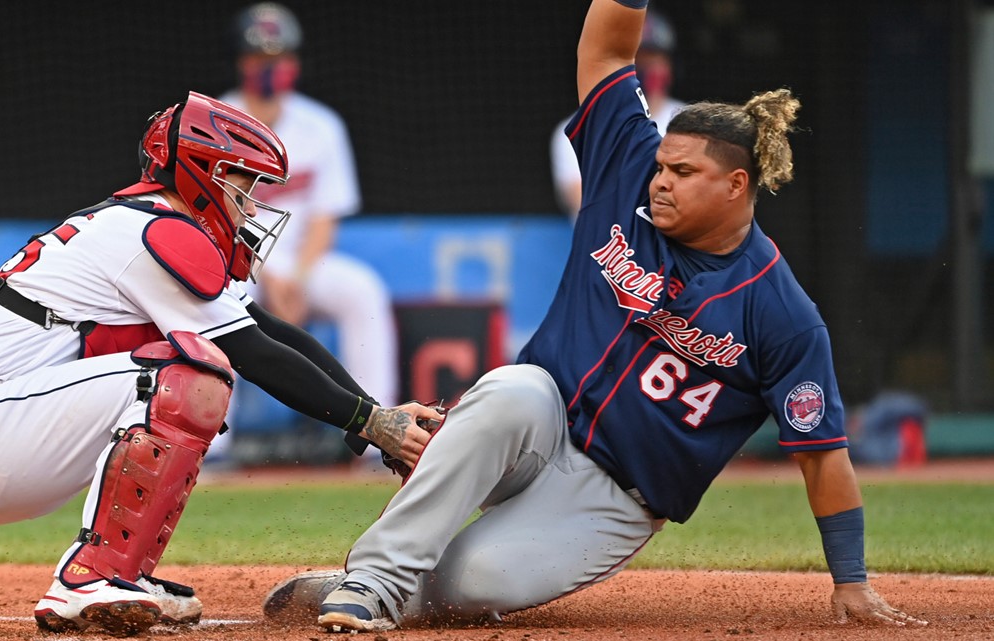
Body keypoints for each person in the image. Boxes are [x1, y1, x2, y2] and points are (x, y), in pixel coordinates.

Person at [265, 1, 927, 633]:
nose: (660, 179)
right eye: (662, 163)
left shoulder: (781, 312)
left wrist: (851, 577)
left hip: (614, 497)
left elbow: (823, 457)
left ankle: (401, 592)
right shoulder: (625, 167)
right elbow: (607, 47)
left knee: (476, 583)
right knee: (508, 391)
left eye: (683, 171)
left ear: (735, 186)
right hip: (539, 419)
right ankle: (376, 578)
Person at [0, 91, 440, 637]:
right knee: (188, 377)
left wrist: (376, 417)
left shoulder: (147, 223)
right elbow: (253, 354)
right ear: (200, 175)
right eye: (243, 184)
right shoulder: (148, 231)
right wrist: (372, 425)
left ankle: (122, 574)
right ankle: (90, 576)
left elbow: (272, 333)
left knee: (190, 371)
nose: (251, 205)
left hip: (6, 423)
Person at [214, 2, 399, 449]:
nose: (271, 69)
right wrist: (270, 277)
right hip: (236, 264)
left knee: (362, 290)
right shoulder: (216, 120)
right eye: (262, 59)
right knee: (216, 307)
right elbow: (216, 214)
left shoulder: (321, 125)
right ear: (243, 62)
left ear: (293, 63)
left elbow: (324, 216)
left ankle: (382, 436)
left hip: (304, 264)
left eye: (280, 59)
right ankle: (213, 446)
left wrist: (296, 277)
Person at [550, 10, 685, 219]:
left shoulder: (690, 121)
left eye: (652, 57)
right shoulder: (576, 128)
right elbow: (586, 205)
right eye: (636, 58)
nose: (645, 66)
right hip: (606, 248)